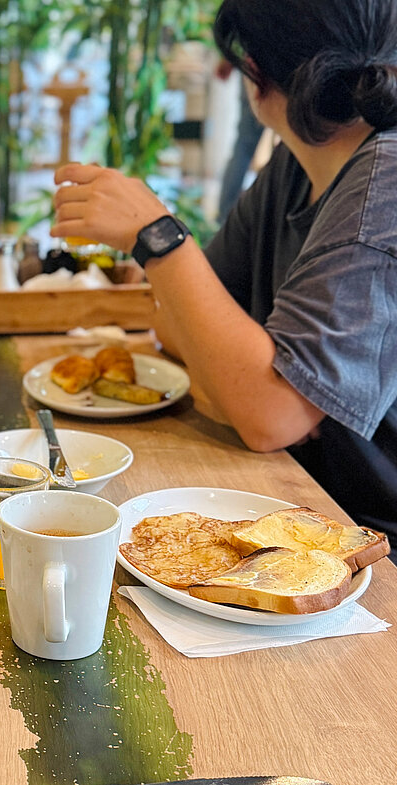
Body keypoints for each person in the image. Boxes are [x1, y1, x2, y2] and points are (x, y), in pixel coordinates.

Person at [51, 0, 397, 556]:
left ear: (255, 72)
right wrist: (236, 377)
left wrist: (156, 237)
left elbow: (269, 416)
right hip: (288, 501)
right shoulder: (296, 165)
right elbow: (180, 330)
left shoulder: (385, 185)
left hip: (364, 546)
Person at [215, 57, 267, 222]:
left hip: (254, 62)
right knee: (246, 145)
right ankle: (226, 215)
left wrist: (228, 58)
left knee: (244, 145)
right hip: (262, 64)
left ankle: (225, 215)